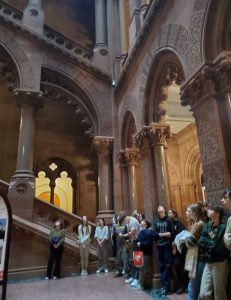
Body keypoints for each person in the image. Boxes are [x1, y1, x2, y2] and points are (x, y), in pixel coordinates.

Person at [198, 205, 229, 300]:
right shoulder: (208, 225)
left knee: (219, 294)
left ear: (218, 213)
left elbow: (217, 247)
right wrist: (211, 243)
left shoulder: (223, 227)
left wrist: (209, 243)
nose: (207, 210)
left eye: (210, 209)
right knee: (203, 294)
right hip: (208, 261)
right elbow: (201, 242)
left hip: (220, 262)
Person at [184, 203, 205, 300]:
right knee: (193, 286)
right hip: (195, 256)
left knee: (193, 287)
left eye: (188, 211)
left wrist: (184, 240)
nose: (186, 213)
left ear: (195, 212)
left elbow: (189, 242)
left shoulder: (199, 224)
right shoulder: (193, 224)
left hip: (199, 257)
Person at [153, 205, 174, 296]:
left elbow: (172, 233)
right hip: (159, 246)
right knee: (162, 266)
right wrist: (165, 234)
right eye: (158, 207)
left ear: (164, 209)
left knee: (167, 265)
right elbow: (155, 234)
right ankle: (163, 286)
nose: (159, 208)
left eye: (161, 207)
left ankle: (167, 287)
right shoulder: (156, 221)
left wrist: (161, 234)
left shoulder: (169, 220)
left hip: (167, 246)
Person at [168, 209, 188, 294]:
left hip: (179, 250)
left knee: (179, 266)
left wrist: (175, 245)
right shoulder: (169, 224)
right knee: (175, 267)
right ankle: (179, 285)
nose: (168, 214)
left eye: (170, 213)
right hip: (171, 249)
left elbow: (181, 236)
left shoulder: (179, 223)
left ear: (175, 214)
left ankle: (184, 285)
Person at [122, 213, 141, 288]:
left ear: (125, 218)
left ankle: (137, 279)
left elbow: (132, 232)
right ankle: (133, 277)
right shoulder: (128, 221)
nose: (124, 224)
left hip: (138, 242)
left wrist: (125, 235)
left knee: (137, 260)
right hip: (134, 242)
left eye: (123, 222)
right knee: (133, 260)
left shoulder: (132, 221)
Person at [137, 220, 154, 290]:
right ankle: (143, 284)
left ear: (146, 224)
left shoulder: (148, 232)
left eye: (142, 221)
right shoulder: (141, 232)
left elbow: (149, 243)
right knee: (142, 269)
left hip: (146, 253)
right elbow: (138, 239)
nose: (141, 222)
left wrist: (140, 243)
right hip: (141, 252)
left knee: (143, 269)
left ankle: (142, 285)